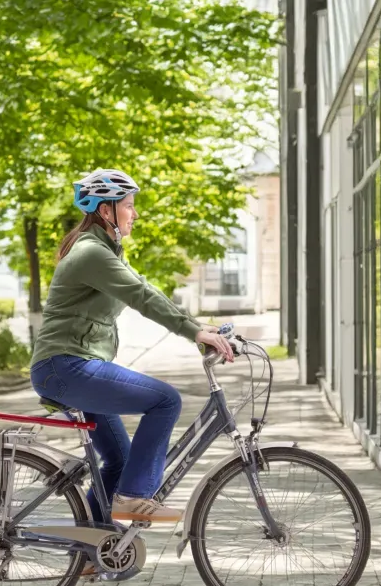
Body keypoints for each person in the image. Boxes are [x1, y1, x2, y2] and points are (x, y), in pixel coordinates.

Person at [30, 168, 234, 523]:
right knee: (166, 401)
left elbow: (146, 288)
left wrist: (199, 326)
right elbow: (140, 296)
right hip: (65, 368)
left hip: (70, 368)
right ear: (105, 211)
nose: (135, 214)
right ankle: (135, 498)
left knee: (120, 461)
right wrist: (193, 333)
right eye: (128, 206)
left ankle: (92, 552)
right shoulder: (91, 252)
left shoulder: (105, 252)